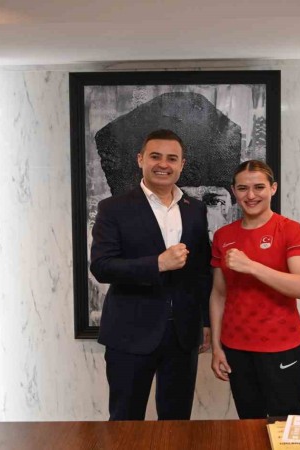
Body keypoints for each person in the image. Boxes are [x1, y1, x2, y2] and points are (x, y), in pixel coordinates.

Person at [90, 129, 212, 421]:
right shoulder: (113, 208)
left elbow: (201, 272)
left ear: (182, 164)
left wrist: (205, 321)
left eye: (172, 158)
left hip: (183, 335)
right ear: (140, 159)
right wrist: (157, 263)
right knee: (126, 422)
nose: (163, 164)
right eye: (155, 156)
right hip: (129, 334)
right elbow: (102, 266)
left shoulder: (195, 209)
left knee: (177, 423)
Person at [209, 160, 300, 419]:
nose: (251, 195)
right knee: (248, 423)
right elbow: (219, 294)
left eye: (259, 187)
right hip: (236, 347)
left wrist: (252, 266)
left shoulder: (291, 230)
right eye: (243, 188)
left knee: (285, 425)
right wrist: (216, 346)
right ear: (234, 191)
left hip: (281, 346)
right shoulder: (223, 236)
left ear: (273, 188)